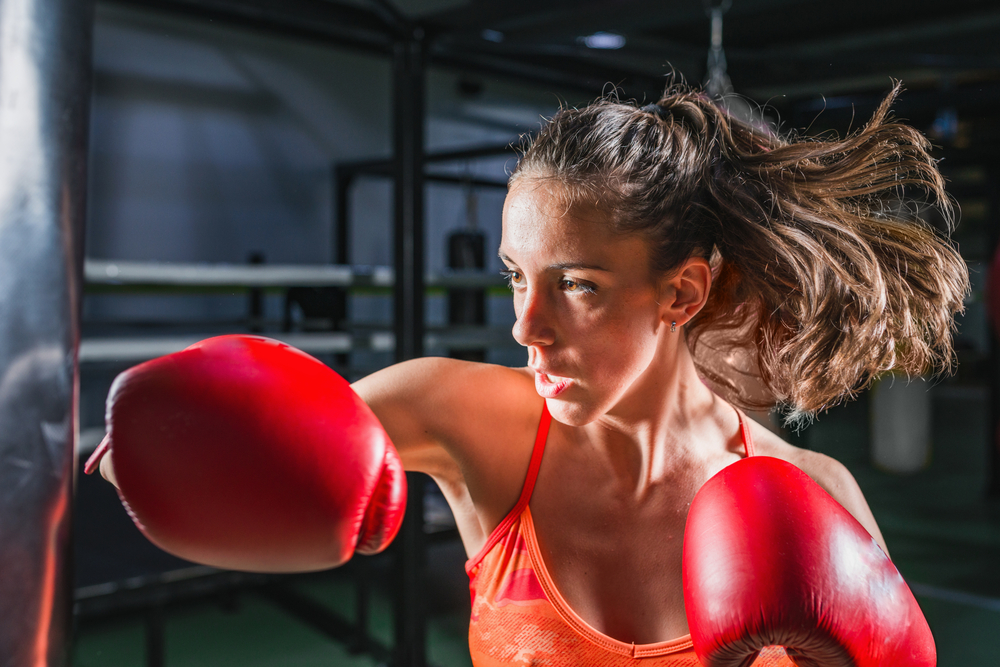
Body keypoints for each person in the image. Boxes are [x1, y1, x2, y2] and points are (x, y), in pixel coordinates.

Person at [95, 82, 968, 666]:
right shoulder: (468, 418)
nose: (526, 324)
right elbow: (275, 436)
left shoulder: (811, 491)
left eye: (577, 285)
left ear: (683, 290)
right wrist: (169, 434)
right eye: (517, 274)